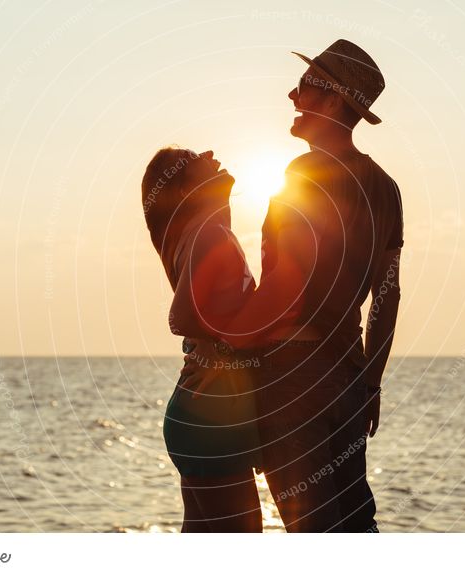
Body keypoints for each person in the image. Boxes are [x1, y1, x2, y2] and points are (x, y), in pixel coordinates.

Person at [182, 39, 403, 532]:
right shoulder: (386, 187)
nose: (291, 94)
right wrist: (371, 381)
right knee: (355, 526)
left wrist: (229, 335)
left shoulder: (305, 175)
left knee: (313, 533)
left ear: (332, 99)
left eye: (304, 85)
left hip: (293, 378)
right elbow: (387, 297)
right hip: (348, 377)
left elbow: (287, 284)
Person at [141, 147, 262, 532]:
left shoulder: (204, 229)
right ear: (185, 189)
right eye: (197, 158)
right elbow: (183, 316)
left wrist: (220, 195)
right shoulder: (208, 233)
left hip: (202, 411)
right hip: (212, 414)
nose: (210, 153)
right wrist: (224, 350)